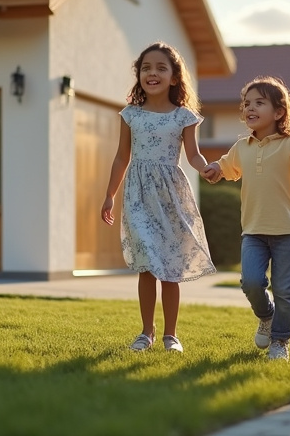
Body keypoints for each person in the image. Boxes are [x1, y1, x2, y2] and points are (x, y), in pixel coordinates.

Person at [101, 41, 217, 353]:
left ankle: (171, 336)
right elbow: (120, 158)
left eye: (161, 68)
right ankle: (145, 332)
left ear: (175, 77)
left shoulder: (184, 117)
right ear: (139, 75)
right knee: (147, 264)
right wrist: (110, 195)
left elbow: (193, 155)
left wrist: (206, 168)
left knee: (170, 267)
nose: (153, 73)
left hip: (171, 196)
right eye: (146, 68)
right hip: (138, 195)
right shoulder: (131, 115)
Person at [202, 76, 290, 361]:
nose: (250, 108)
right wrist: (214, 170)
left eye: (259, 103)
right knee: (251, 282)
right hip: (253, 231)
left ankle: (280, 341)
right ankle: (266, 317)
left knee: (283, 290)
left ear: (279, 112)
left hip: (286, 232)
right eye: (246, 104)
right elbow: (226, 166)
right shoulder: (242, 147)